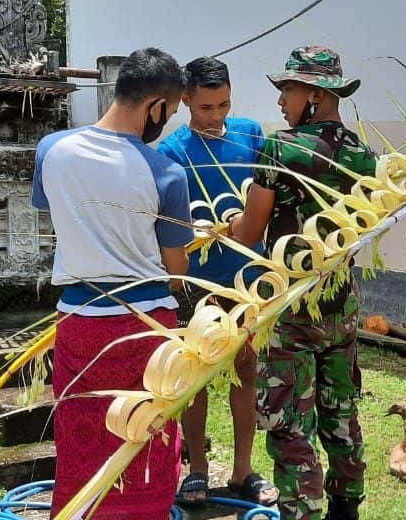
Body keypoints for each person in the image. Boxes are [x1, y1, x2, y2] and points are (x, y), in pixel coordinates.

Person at [32, 47, 193, 519]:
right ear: (156, 107)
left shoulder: (52, 150)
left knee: (82, 440)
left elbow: (55, 211)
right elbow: (176, 270)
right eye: (172, 112)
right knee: (146, 439)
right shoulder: (165, 172)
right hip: (146, 332)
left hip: (81, 324)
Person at [229, 46, 376, 520]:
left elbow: (251, 232)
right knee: (340, 413)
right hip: (342, 307)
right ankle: (346, 508)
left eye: (288, 90)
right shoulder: (364, 156)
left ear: (314, 94)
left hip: (293, 308)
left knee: (290, 425)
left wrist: (229, 223)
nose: (280, 103)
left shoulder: (281, 149)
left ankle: (302, 511)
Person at [156, 56, 279, 507]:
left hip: (248, 276)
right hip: (195, 282)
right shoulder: (171, 152)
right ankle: (197, 471)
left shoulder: (251, 134)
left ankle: (243, 469)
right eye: (206, 108)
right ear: (185, 100)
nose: (216, 117)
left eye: (223, 104)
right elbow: (168, 223)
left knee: (246, 369)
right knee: (195, 374)